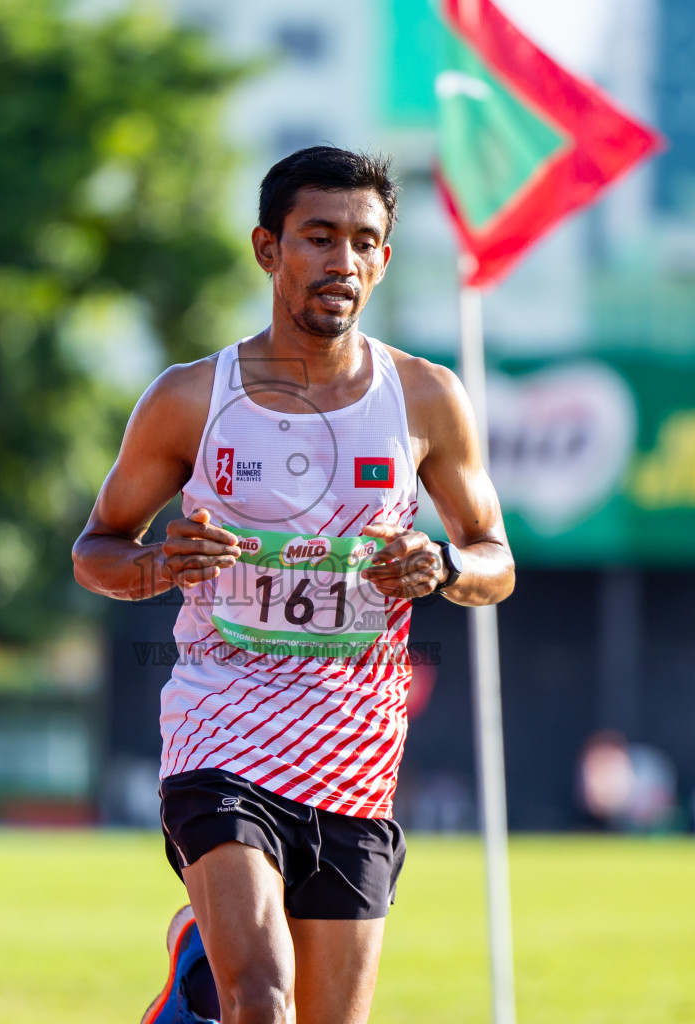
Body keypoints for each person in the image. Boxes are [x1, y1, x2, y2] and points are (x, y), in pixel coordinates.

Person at [72, 146, 514, 1024]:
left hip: (355, 753)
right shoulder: (193, 397)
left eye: (363, 241)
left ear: (384, 259)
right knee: (262, 996)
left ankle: (192, 970)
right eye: (318, 238)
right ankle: (219, 966)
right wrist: (160, 563)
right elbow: (97, 548)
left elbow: (495, 559)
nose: (341, 262)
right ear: (267, 249)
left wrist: (446, 567)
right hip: (219, 727)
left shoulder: (426, 399)